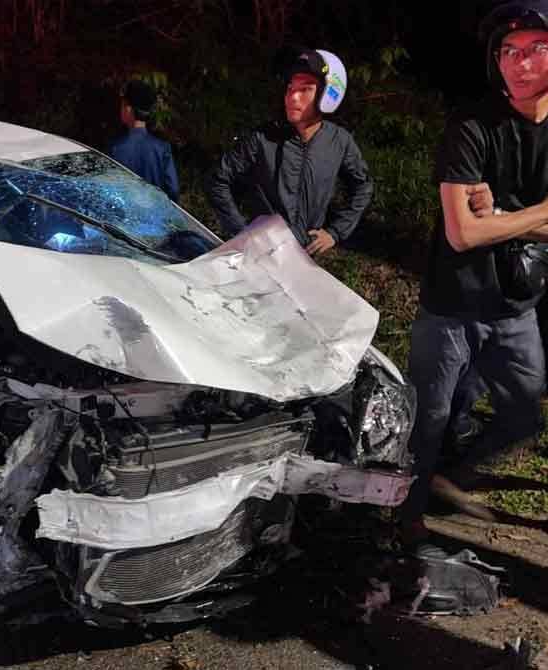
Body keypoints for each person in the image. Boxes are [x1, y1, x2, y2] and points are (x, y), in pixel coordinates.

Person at [400, 0, 548, 544]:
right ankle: (405, 519)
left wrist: (502, 217)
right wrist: (537, 215)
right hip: (451, 305)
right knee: (428, 419)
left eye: (536, 49)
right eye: (509, 50)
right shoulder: (471, 123)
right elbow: (462, 232)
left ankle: (449, 475)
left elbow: (485, 224)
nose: (520, 62)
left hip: (517, 309)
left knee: (523, 416)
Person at [206, 47, 372, 255]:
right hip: (260, 252)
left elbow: (363, 186)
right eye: (290, 88)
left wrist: (335, 232)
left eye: (305, 90)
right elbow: (217, 179)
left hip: (305, 256)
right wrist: (241, 232)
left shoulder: (339, 141)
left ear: (328, 94)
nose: (293, 97)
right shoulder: (263, 138)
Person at [109, 80, 179, 202]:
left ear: (128, 109)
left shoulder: (115, 148)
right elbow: (173, 190)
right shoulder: (162, 148)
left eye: (122, 105)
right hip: (156, 216)